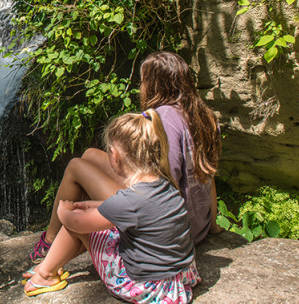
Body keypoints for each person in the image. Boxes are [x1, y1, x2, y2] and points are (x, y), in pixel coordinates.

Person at [29, 51, 221, 262]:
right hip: (195, 224)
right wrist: (211, 225)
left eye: (144, 80)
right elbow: (209, 174)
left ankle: (51, 241)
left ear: (155, 83)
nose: (141, 87)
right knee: (89, 156)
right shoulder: (205, 115)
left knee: (76, 166)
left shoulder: (165, 117)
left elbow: (167, 181)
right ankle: (75, 236)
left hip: (169, 226)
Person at [23, 110, 201, 301]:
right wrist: (90, 205)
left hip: (144, 287)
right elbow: (125, 210)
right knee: (94, 220)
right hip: (177, 279)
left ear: (114, 157)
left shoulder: (129, 201)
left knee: (77, 226)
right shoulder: (166, 187)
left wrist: (64, 209)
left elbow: (76, 223)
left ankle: (44, 274)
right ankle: (55, 261)